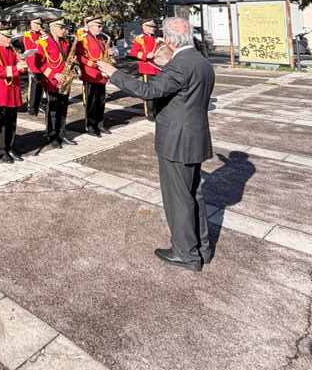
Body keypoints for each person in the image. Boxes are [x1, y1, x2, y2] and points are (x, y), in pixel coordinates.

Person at [97, 16, 215, 272]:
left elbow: (148, 91)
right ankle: (202, 248)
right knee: (195, 194)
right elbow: (182, 91)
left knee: (178, 199)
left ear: (170, 40)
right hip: (195, 137)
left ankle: (186, 253)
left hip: (176, 140)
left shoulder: (180, 66)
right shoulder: (200, 62)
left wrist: (114, 73)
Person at [0, 23, 27, 162]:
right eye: (6, 36)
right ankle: (2, 150)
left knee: (12, 121)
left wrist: (22, 65)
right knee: (2, 122)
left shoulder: (13, 49)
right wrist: (17, 68)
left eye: (10, 36)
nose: (9, 39)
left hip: (13, 90)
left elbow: (18, 65)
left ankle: (10, 147)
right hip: (2, 91)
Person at [35, 18, 75, 148]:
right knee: (53, 109)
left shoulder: (65, 42)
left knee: (63, 108)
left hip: (64, 79)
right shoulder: (43, 42)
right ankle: (52, 136)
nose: (64, 30)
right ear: (53, 27)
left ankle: (61, 134)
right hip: (52, 81)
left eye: (64, 28)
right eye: (61, 28)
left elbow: (65, 60)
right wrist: (53, 75)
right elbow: (38, 63)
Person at [75, 15, 110, 137]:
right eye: (98, 26)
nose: (101, 28)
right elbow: (80, 56)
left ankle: (100, 124)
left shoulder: (101, 39)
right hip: (90, 74)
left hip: (101, 75)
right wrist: (94, 65)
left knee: (101, 101)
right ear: (90, 25)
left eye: (101, 26)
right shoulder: (83, 37)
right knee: (92, 102)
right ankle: (90, 126)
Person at [129, 18, 161, 121]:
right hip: (147, 69)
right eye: (151, 27)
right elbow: (133, 53)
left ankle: (157, 110)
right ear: (144, 27)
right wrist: (146, 55)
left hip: (158, 69)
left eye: (154, 27)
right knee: (148, 93)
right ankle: (150, 113)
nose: (153, 29)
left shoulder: (157, 39)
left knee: (158, 92)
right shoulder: (140, 39)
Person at [23, 18, 45, 117]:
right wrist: (39, 42)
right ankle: (31, 107)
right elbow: (29, 47)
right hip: (32, 64)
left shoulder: (42, 34)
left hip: (42, 64)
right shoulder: (27, 34)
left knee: (41, 86)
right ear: (30, 24)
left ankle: (38, 104)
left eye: (39, 24)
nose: (37, 25)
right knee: (33, 87)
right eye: (35, 23)